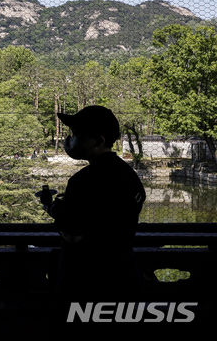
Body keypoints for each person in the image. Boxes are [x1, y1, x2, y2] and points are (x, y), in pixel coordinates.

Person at [39, 105, 146, 300]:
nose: (71, 140)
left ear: (98, 140)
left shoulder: (83, 181)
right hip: (124, 273)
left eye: (77, 134)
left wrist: (54, 208)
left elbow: (73, 234)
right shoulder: (130, 176)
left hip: (86, 279)